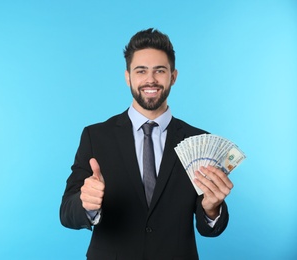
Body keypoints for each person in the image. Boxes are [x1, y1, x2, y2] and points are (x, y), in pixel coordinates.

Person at [60, 28, 234, 260]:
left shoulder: (199, 141)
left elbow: (208, 229)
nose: (150, 80)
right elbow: (66, 213)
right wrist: (87, 204)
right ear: (128, 77)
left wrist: (211, 208)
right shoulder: (96, 136)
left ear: (173, 76)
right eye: (141, 71)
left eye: (159, 71)